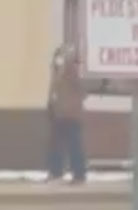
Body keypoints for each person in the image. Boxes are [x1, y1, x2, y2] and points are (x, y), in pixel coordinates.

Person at [46, 44, 87, 184]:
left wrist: (72, 103)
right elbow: (53, 90)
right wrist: (50, 105)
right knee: (56, 145)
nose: (58, 59)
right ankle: (56, 172)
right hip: (57, 113)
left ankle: (79, 174)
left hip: (71, 114)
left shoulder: (71, 70)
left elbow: (82, 90)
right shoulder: (55, 70)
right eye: (57, 56)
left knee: (74, 145)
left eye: (61, 56)